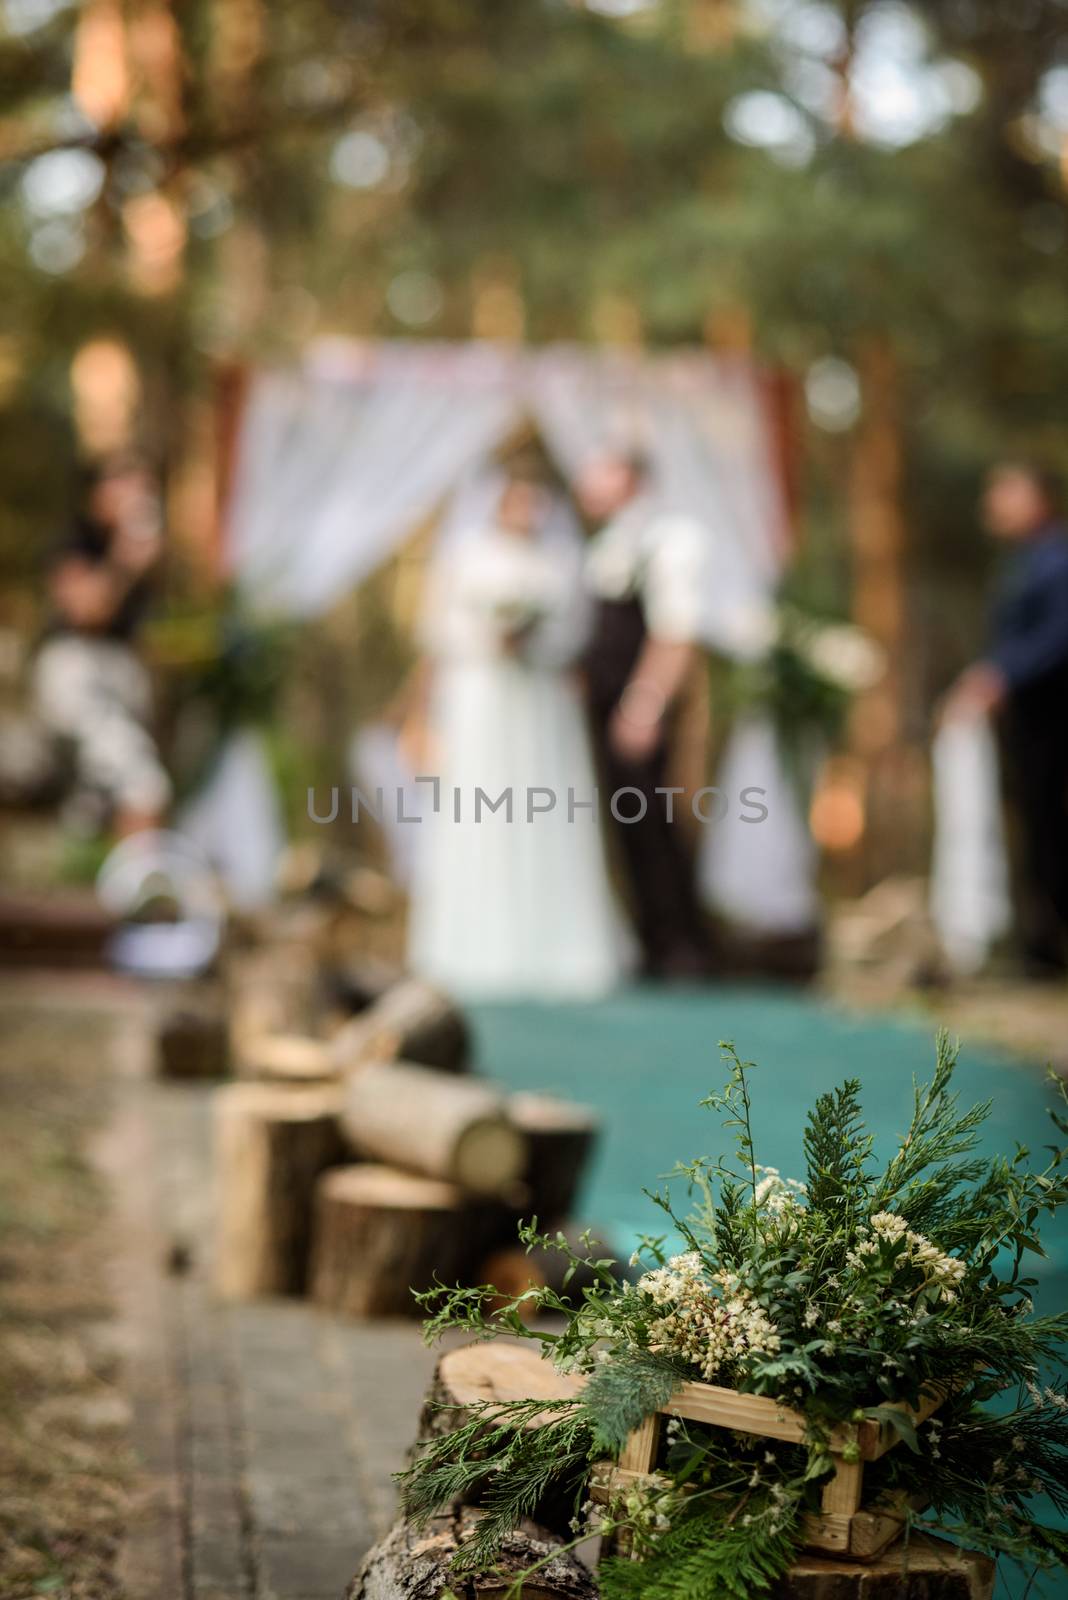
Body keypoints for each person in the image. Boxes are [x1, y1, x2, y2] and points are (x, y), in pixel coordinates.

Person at [407, 464, 624, 998]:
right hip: (481, 700)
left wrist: (534, 641)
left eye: (534, 501)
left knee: (545, 808)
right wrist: (489, 639)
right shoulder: (466, 556)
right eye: (517, 501)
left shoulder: (560, 561)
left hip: (541, 705)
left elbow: (575, 632)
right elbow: (438, 628)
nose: (527, 512)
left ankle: (558, 945)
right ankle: (472, 945)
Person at [577, 450, 711, 981]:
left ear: (630, 478)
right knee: (629, 825)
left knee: (654, 820)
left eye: (601, 466)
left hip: (638, 708)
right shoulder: (607, 544)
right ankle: (654, 940)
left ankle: (684, 947)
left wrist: (644, 704)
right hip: (606, 705)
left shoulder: (670, 538)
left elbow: (676, 633)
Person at [943, 460, 1068, 977]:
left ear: (1038, 497)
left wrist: (1001, 676)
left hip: (1056, 716)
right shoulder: (1023, 561)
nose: (992, 503)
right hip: (1033, 722)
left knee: (1055, 826)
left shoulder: (1058, 558)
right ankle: (1041, 945)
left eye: (1005, 491)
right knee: (1038, 827)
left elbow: (1058, 636)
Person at [32, 454, 171, 839]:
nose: (139, 498)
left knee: (92, 801)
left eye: (146, 488)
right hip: (76, 671)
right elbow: (87, 611)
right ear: (100, 492)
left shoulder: (140, 553)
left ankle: (98, 880)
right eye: (128, 485)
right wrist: (124, 560)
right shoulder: (76, 541)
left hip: (121, 677)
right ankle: (143, 883)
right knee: (141, 781)